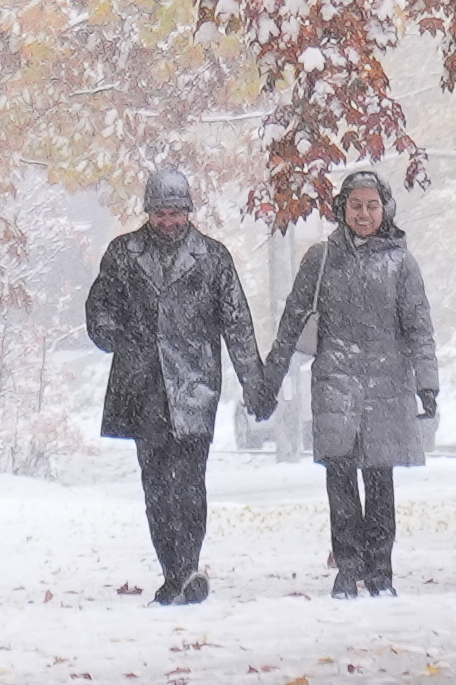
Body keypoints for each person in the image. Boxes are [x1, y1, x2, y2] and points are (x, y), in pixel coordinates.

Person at [85, 167, 272, 605]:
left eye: (175, 212)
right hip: (142, 388)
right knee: (156, 488)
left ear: (189, 211)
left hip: (194, 386)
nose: (167, 221)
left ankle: (186, 569)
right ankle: (174, 571)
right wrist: (116, 334)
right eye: (160, 213)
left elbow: (238, 324)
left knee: (190, 485)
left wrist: (255, 384)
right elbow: (98, 309)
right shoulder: (122, 254)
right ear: (148, 212)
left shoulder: (212, 257)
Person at [263, 170, 438, 600]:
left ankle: (381, 571)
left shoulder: (401, 262)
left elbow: (419, 327)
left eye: (372, 205)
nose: (364, 214)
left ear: (385, 209)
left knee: (380, 482)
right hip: (335, 384)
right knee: (339, 482)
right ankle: (348, 568)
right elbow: (292, 321)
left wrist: (428, 384)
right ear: (342, 209)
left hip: (388, 385)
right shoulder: (320, 259)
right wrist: (269, 377)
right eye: (356, 205)